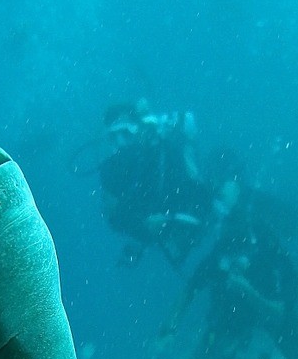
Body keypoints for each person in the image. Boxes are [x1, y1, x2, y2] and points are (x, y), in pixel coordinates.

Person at [162, 186, 298, 359]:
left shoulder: (266, 250)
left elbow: (281, 310)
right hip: (234, 317)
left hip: (269, 310)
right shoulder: (217, 257)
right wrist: (170, 327)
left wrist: (249, 292)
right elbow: (190, 289)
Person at [95, 100, 227, 268]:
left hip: (187, 225)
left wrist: (168, 220)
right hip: (160, 232)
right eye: (113, 137)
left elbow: (200, 203)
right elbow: (116, 219)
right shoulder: (110, 172)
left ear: (139, 131)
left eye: (126, 134)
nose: (121, 143)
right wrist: (145, 226)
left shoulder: (166, 155)